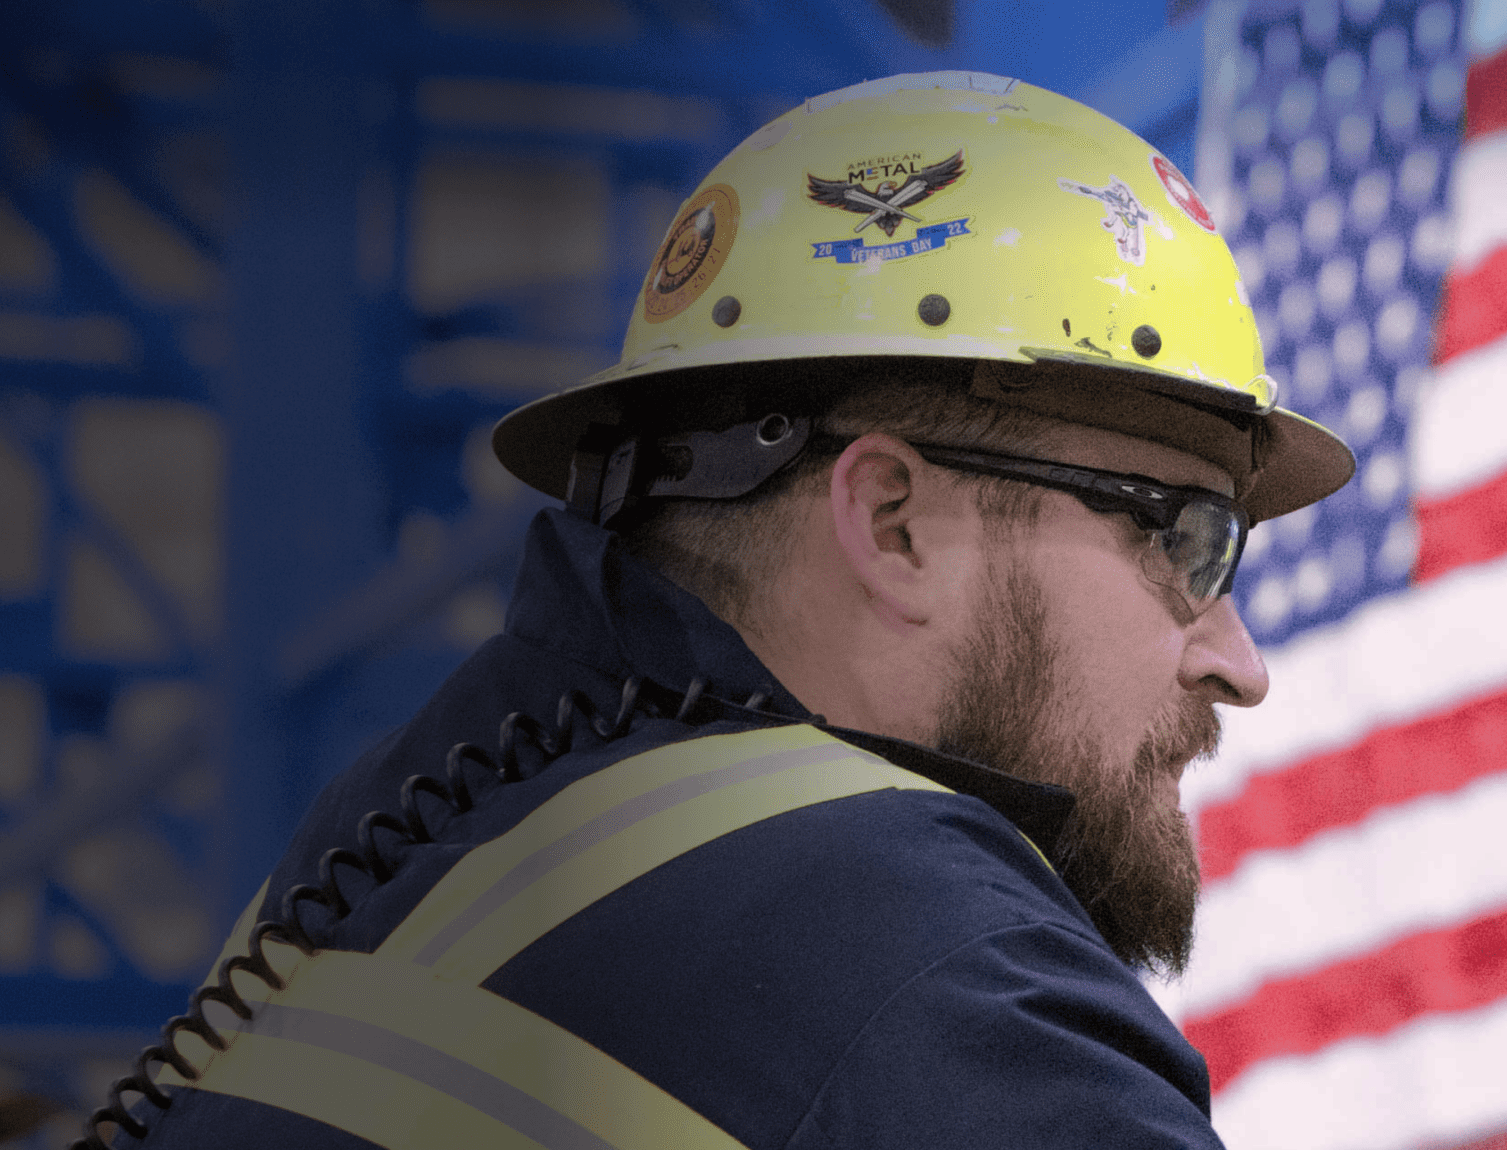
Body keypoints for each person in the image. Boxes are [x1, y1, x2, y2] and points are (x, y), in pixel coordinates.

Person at [84, 71, 1354, 1150]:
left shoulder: (398, 848)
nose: (1235, 661)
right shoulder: (936, 981)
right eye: (1186, 538)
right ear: (894, 522)